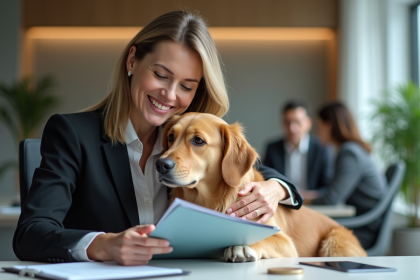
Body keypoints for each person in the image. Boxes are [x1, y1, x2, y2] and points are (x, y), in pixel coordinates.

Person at [13, 11, 303, 266]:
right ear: (132, 60)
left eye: (186, 86)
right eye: (161, 75)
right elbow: (31, 233)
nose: (170, 95)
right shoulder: (72, 134)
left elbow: (248, 169)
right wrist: (105, 245)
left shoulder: (187, 138)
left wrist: (277, 188)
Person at [308, 102, 386, 249]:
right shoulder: (351, 150)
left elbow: (332, 198)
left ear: (329, 126)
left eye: (319, 127)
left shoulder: (349, 153)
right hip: (362, 222)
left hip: (363, 228)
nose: (317, 133)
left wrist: (301, 198)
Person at [264, 100, 333, 200]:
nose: (292, 128)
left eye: (297, 122)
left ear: (308, 123)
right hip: (282, 206)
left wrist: (296, 195)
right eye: (288, 122)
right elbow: (266, 180)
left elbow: (327, 188)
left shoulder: (322, 148)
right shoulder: (272, 149)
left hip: (315, 207)